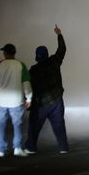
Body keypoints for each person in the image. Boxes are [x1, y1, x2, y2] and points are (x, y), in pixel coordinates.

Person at [25, 25, 69, 154]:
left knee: (34, 126)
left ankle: (30, 147)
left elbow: (28, 87)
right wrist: (59, 34)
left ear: (37, 56)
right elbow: (62, 49)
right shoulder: (54, 61)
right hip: (57, 101)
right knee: (59, 126)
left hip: (41, 105)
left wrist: (27, 101)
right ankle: (63, 148)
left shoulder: (33, 71)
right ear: (47, 54)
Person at [0, 44, 32, 157]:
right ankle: (17, 148)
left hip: (0, 100)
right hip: (16, 101)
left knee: (0, 125)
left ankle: (1, 150)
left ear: (5, 53)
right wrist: (29, 98)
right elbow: (26, 83)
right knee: (17, 125)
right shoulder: (21, 65)